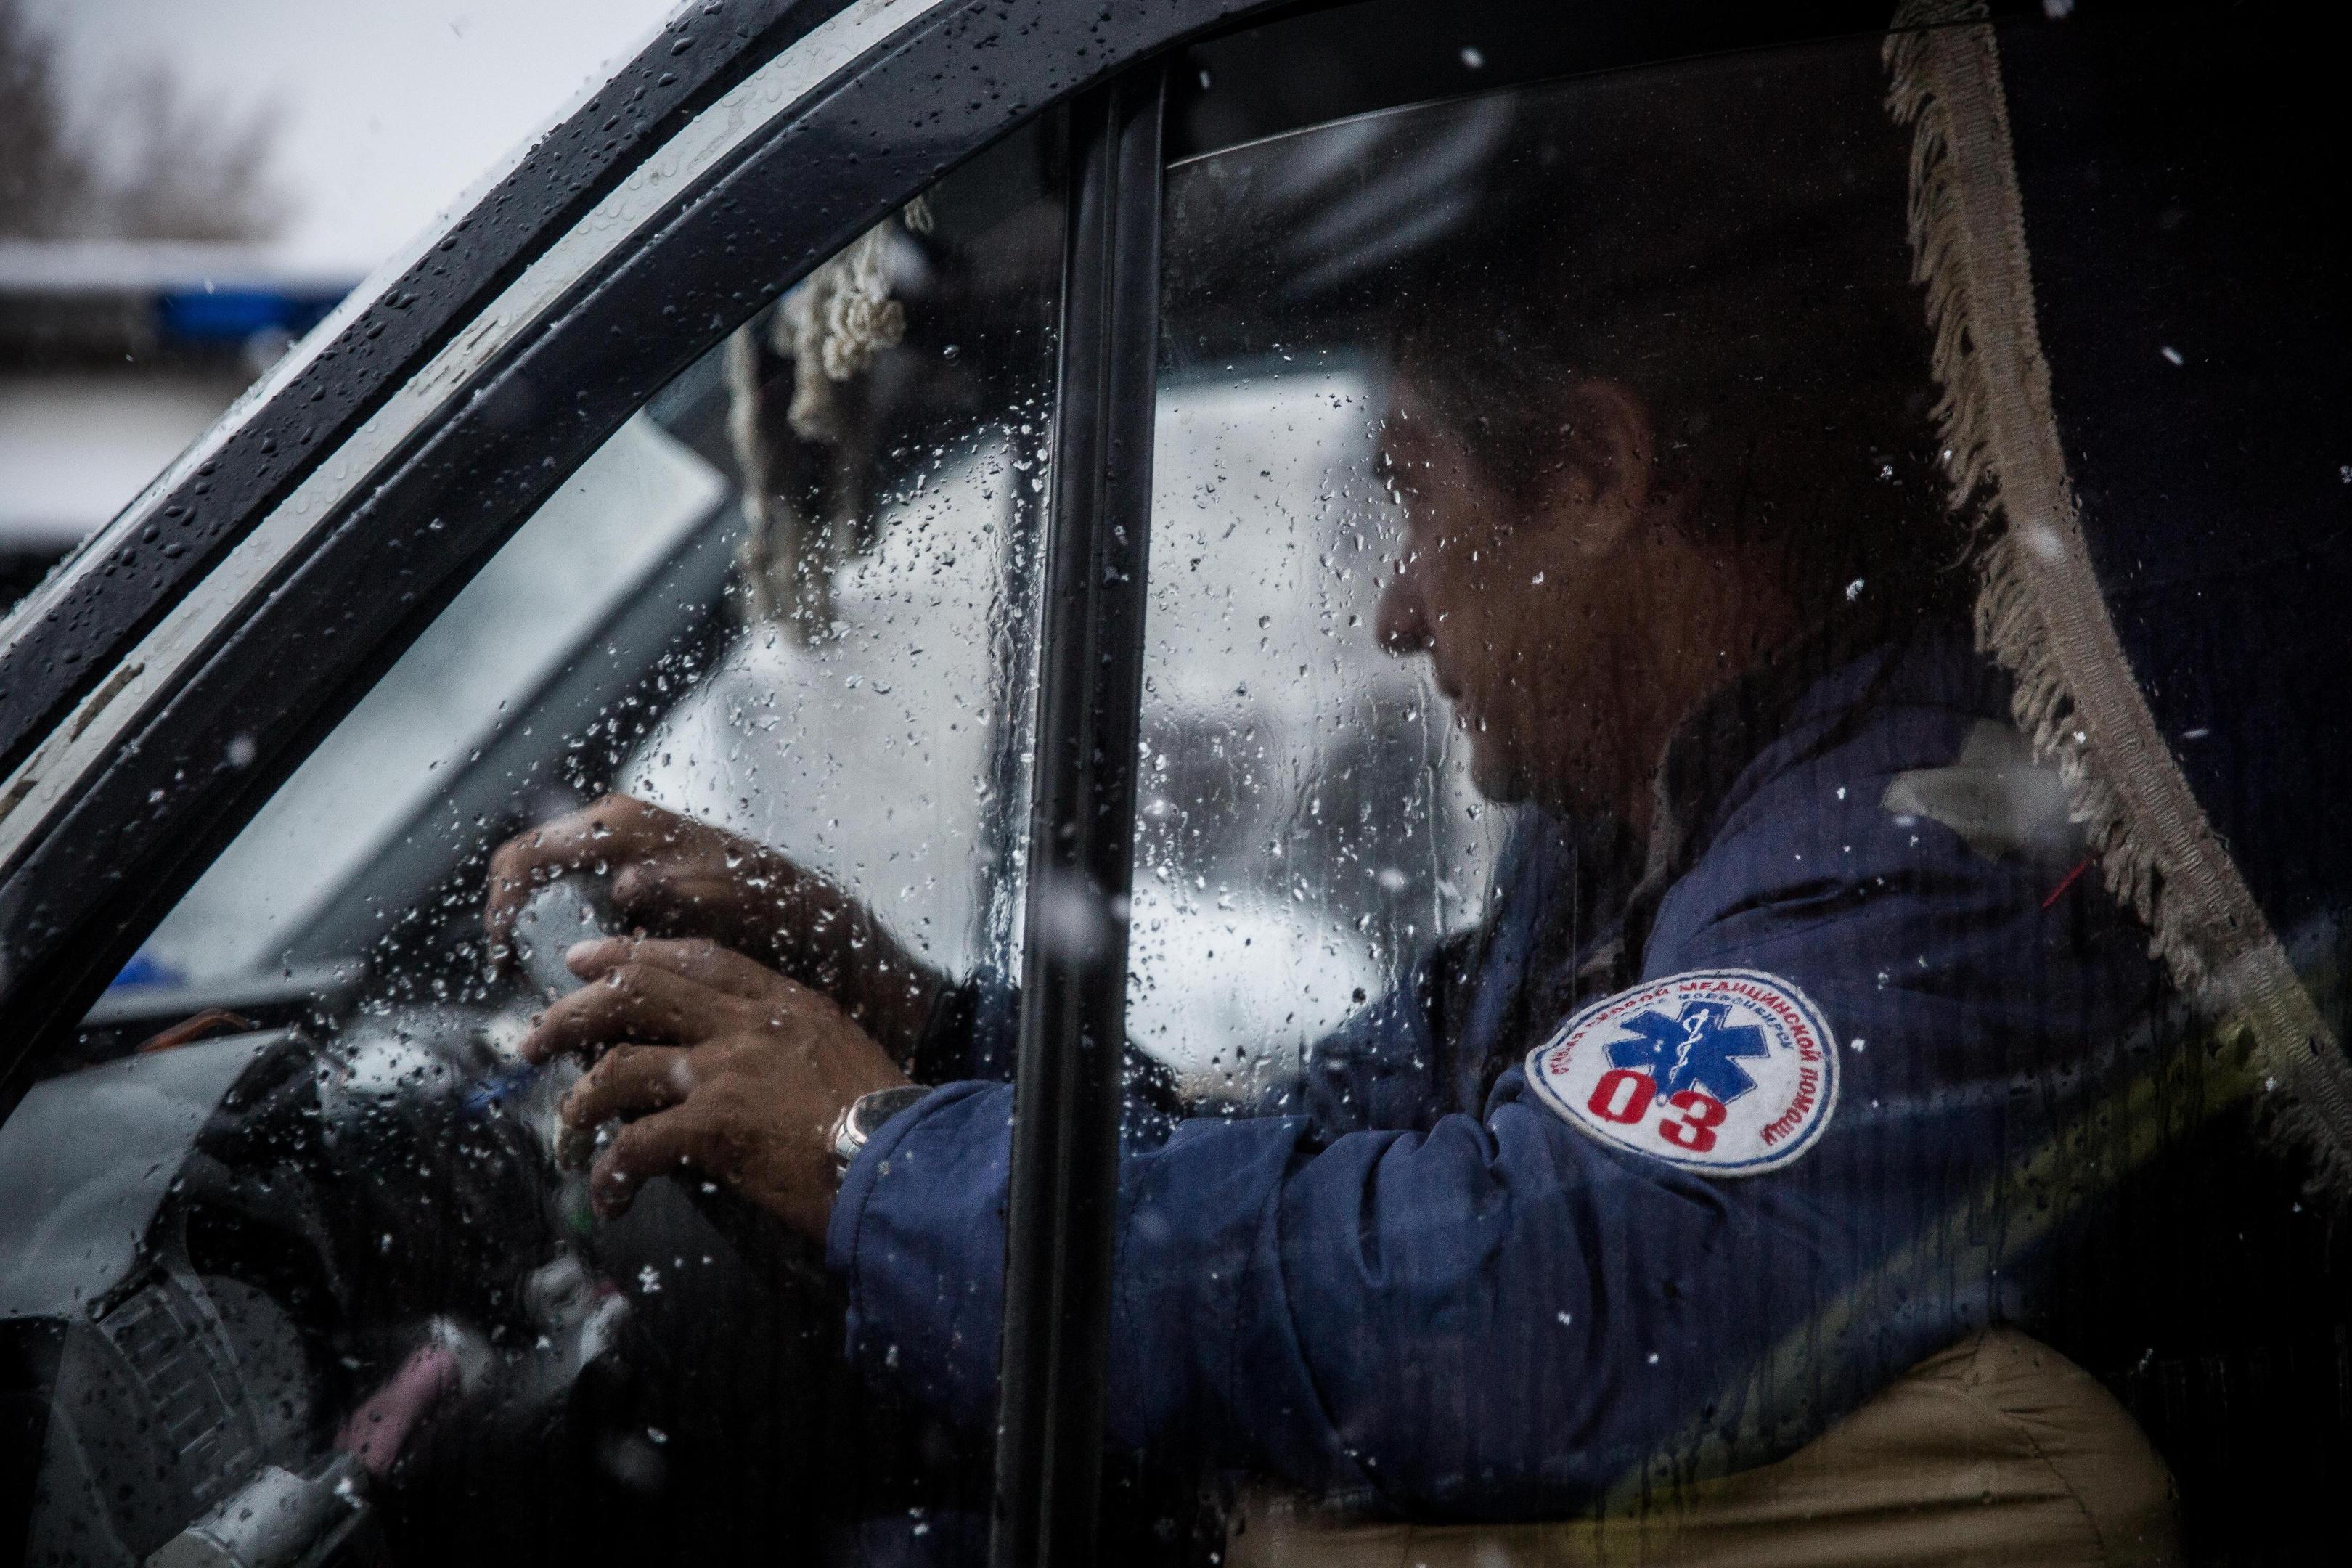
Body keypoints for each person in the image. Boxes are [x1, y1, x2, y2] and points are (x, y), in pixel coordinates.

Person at [483, 79, 2185, 1563]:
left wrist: (876, 1155)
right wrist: (908, 1020)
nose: (1396, 614)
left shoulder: (1920, 839)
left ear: (1591, 475)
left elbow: (1537, 1305)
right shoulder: (1645, 834)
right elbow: (1325, 1157)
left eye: (1414, 497)